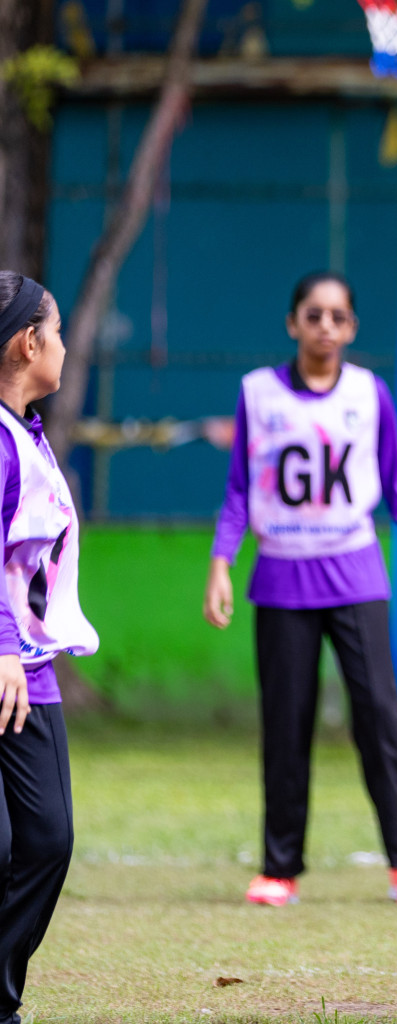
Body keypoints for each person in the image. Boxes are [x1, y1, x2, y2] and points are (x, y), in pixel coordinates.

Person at [203, 271, 397, 907]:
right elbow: (237, 492)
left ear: (352, 327)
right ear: (293, 323)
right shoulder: (258, 394)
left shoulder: (369, 394)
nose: (326, 327)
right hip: (280, 580)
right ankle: (279, 870)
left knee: (379, 721)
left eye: (338, 317)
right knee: (286, 727)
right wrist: (221, 562)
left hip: (355, 577)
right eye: (314, 315)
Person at [0, 272, 99, 1024]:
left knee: (42, 841)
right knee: (20, 845)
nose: (62, 344)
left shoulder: (23, 433)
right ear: (28, 342)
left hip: (29, 668)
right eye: (56, 331)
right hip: (9, 669)